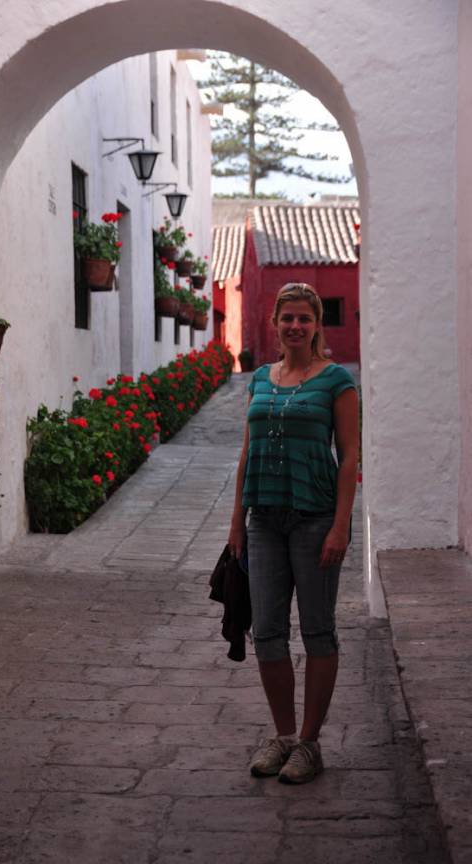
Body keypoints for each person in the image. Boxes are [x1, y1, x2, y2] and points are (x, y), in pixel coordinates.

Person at [228, 282, 359, 784]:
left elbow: (349, 457)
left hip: (315, 519)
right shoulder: (260, 378)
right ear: (275, 323)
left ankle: (309, 743)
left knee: (318, 629)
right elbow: (247, 453)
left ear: (317, 324)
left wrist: (341, 526)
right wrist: (237, 520)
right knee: (266, 631)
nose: (296, 326)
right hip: (263, 521)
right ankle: (282, 736)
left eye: (305, 318)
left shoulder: (336, 382)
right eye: (288, 319)